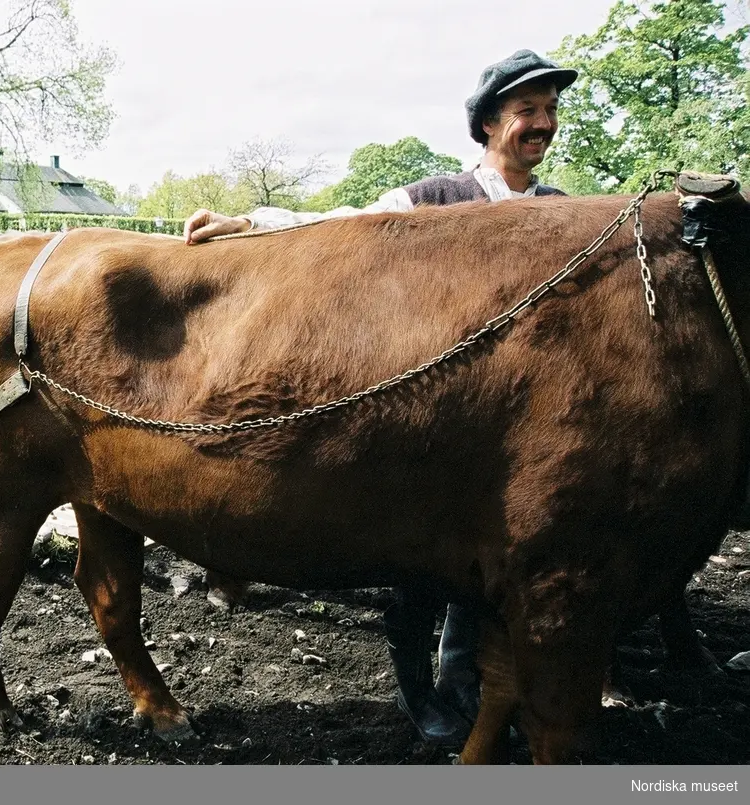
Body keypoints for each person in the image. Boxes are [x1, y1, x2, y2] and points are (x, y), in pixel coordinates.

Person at [184, 49, 578, 745]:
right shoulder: (435, 199)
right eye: (527, 111)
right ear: (490, 124)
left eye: (549, 111)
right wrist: (252, 226)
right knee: (420, 570)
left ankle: (465, 685)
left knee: (488, 574)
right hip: (431, 420)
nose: (542, 124)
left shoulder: (561, 214)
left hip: (511, 429)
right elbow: (343, 228)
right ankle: (415, 688)